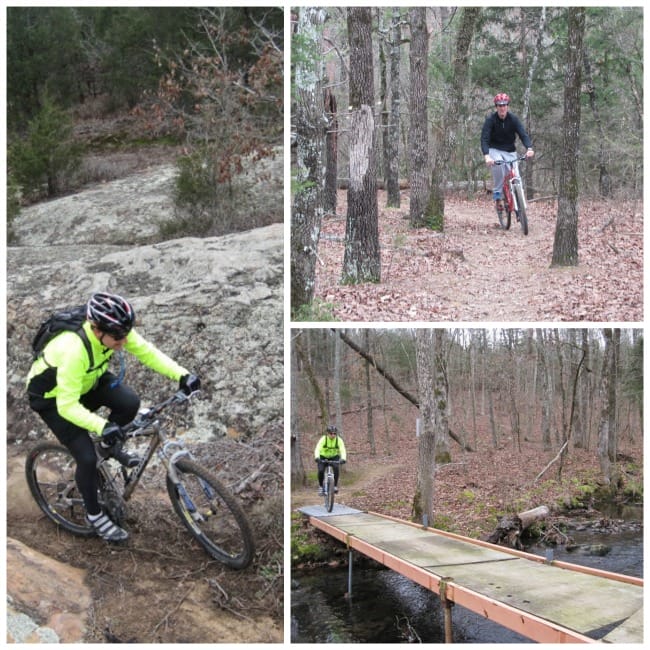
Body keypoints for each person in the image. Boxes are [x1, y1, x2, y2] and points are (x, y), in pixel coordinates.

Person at [26, 292, 201, 543]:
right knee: (86, 458)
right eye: (118, 338)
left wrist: (183, 376)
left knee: (129, 403)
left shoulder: (117, 331)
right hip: (53, 400)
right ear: (96, 330)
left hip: (87, 382)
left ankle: (107, 447)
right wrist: (102, 425)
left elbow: (148, 353)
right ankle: (94, 516)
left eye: (125, 335)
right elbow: (67, 406)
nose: (124, 341)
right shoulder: (73, 349)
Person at [481, 93, 535, 215]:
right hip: (495, 150)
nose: (502, 108)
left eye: (504, 105)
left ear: (507, 106)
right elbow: (484, 139)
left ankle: (520, 205)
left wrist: (529, 148)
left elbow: (523, 134)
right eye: (499, 105)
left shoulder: (513, 119)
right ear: (496, 107)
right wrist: (487, 156)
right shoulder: (491, 120)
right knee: (499, 167)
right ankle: (498, 196)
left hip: (510, 151)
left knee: (516, 176)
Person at [314, 424, 347, 495]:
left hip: (334, 457)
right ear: (327, 433)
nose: (333, 435)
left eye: (334, 433)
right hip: (323, 457)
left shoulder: (339, 440)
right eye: (331, 433)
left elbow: (342, 450)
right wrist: (317, 457)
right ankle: (321, 486)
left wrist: (343, 459)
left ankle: (335, 486)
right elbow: (317, 448)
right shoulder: (323, 439)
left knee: (336, 468)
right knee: (321, 471)